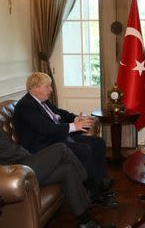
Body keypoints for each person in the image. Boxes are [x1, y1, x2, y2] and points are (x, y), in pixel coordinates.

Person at [0, 81, 115, 228]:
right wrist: (35, 158)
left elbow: (5, 151)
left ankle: (85, 221)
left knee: (66, 169)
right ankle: (91, 184)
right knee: (61, 149)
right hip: (8, 175)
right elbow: (11, 153)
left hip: (8, 168)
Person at [13, 72, 116, 207]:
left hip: (56, 137)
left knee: (98, 143)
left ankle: (100, 182)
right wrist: (74, 126)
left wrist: (75, 118)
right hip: (43, 146)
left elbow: (59, 113)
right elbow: (45, 128)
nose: (50, 90)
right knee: (84, 150)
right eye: (47, 87)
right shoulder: (26, 106)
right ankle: (93, 191)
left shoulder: (42, 101)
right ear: (35, 88)